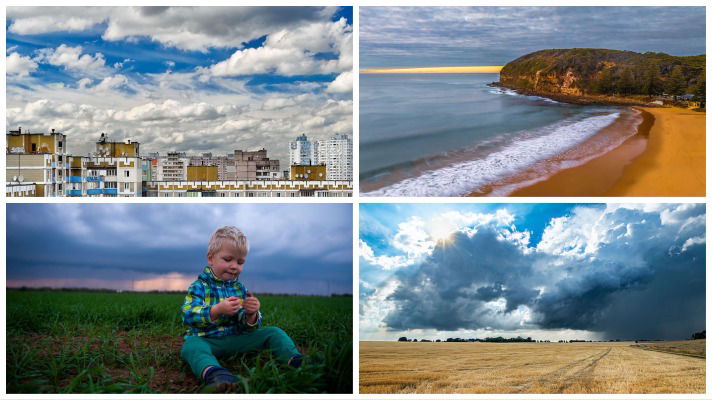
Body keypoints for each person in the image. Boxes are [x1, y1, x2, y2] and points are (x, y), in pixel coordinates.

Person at [180, 226, 302, 392]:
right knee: (191, 346)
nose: (234, 266)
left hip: (237, 338)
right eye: (228, 259)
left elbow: (245, 325)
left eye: (240, 262)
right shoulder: (199, 286)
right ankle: (216, 375)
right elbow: (188, 315)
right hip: (207, 339)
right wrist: (216, 310)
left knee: (274, 332)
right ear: (211, 258)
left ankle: (295, 361)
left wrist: (251, 314)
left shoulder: (240, 289)